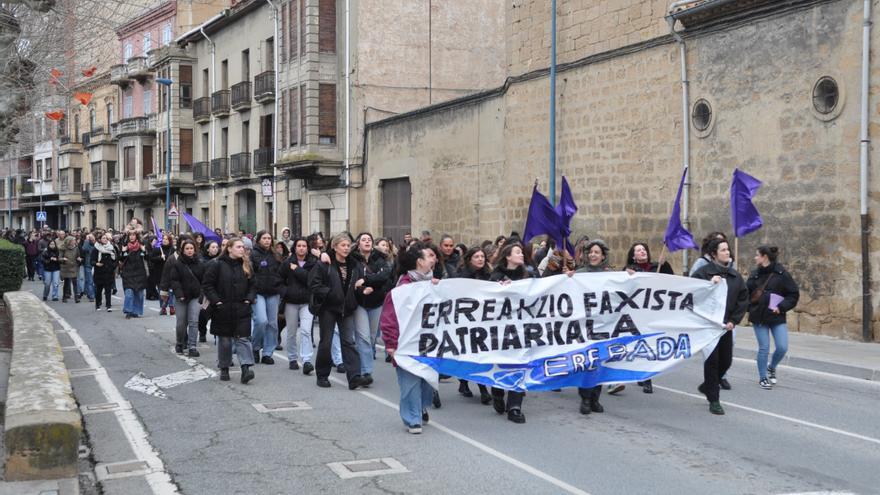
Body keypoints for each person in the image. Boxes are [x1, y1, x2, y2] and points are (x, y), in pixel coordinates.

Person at [380, 242, 441, 434]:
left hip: (429, 342)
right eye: (428, 256)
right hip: (406, 342)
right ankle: (412, 418)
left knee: (427, 382)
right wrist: (390, 343)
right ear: (419, 262)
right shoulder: (402, 288)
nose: (433, 259)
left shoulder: (435, 284)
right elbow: (390, 316)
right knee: (410, 382)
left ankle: (420, 407)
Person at [691, 238, 749, 415]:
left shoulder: (734, 276)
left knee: (726, 360)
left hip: (725, 327)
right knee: (712, 362)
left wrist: (734, 320)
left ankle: (708, 385)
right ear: (714, 254)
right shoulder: (703, 273)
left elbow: (742, 299)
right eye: (723, 250)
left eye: (728, 250)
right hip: (708, 327)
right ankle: (714, 400)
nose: (727, 253)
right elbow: (691, 294)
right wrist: (708, 285)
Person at [308, 233, 368, 390]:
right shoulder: (324, 264)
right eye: (343, 245)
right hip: (328, 308)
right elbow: (314, 285)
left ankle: (354, 377)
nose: (346, 248)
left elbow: (357, 285)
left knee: (349, 342)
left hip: (347, 308)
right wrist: (330, 293)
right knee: (326, 342)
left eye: (348, 245)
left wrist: (362, 289)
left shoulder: (354, 265)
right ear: (334, 247)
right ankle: (322, 375)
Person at [488, 242, 534, 424]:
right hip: (501, 330)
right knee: (502, 363)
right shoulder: (496, 276)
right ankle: (498, 392)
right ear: (508, 256)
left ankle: (515, 407)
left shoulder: (527, 274)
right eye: (517, 252)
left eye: (522, 252)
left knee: (519, 363)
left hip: (522, 329)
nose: (521, 254)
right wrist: (501, 288)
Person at [202, 238, 256, 383]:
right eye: (238, 247)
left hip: (242, 308)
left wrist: (248, 299)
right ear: (229, 249)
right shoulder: (217, 265)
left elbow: (252, 285)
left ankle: (246, 369)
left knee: (243, 338)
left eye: (243, 247)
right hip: (223, 309)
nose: (242, 249)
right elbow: (208, 285)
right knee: (225, 340)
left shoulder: (247, 265)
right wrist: (217, 302)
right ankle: (224, 367)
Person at [747, 245, 799, 389]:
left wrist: (781, 307)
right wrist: (750, 308)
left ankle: (772, 367)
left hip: (776, 316)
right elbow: (745, 294)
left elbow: (793, 294)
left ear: (765, 257)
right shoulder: (754, 275)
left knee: (782, 347)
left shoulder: (782, 274)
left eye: (757, 255)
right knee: (764, 348)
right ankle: (763, 377)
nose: (755, 257)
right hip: (759, 316)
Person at [623, 241, 673, 394]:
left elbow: (673, 282)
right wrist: (628, 276)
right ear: (633, 256)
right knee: (641, 344)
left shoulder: (656, 267)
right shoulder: (629, 270)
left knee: (650, 343)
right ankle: (645, 378)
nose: (642, 251)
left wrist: (665, 266)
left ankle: (644, 375)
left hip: (652, 312)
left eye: (644, 249)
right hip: (636, 313)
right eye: (638, 250)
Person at [573, 239, 612, 415]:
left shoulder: (611, 275)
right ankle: (585, 398)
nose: (593, 255)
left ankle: (596, 397)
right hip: (584, 325)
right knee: (587, 362)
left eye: (597, 252)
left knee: (600, 362)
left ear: (603, 255)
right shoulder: (580, 274)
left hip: (603, 325)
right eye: (591, 252)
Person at [352, 232, 394, 383]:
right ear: (358, 244)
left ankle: (362, 365)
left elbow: (384, 277)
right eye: (363, 240)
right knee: (362, 337)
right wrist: (362, 288)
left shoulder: (380, 258)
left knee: (370, 337)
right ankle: (366, 371)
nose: (367, 242)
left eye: (369, 239)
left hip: (376, 302)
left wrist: (368, 283)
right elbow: (353, 280)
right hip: (359, 302)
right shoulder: (353, 258)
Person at [455, 246, 493, 404]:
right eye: (476, 256)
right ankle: (467, 384)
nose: (480, 259)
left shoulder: (490, 275)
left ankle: (481, 387)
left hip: (484, 321)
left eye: (482, 256)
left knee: (481, 355)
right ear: (470, 259)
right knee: (469, 354)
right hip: (467, 320)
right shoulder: (462, 276)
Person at [280, 237, 317, 372]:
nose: (301, 248)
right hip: (291, 302)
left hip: (307, 302)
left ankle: (307, 360)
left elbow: (311, 280)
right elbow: (279, 279)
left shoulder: (313, 263)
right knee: (291, 332)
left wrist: (297, 270)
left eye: (304, 246)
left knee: (306, 331)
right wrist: (285, 291)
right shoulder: (287, 263)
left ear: (307, 248)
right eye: (299, 246)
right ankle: (292, 358)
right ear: (295, 248)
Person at [250, 230, 284, 364]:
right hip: (258, 292)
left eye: (269, 238)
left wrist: (280, 286)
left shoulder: (276, 255)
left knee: (272, 324)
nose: (267, 240)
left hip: (273, 292)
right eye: (264, 238)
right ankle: (255, 347)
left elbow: (282, 273)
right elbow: (249, 274)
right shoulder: (253, 254)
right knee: (261, 321)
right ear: (258, 240)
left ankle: (268, 353)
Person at [169, 240, 206, 357]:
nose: (189, 251)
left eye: (191, 248)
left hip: (195, 296)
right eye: (187, 249)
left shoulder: (200, 263)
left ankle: (192, 346)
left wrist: (201, 293)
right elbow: (174, 280)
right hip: (181, 297)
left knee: (194, 321)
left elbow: (204, 281)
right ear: (183, 250)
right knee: (181, 323)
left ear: (195, 250)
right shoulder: (177, 263)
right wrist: (179, 294)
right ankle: (180, 342)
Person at [120, 231, 148, 319]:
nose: (132, 237)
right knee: (129, 293)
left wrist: (144, 251)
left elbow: (148, 258)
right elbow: (120, 260)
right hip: (128, 273)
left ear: (136, 236)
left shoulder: (141, 245)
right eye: (130, 235)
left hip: (140, 273)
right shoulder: (125, 246)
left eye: (133, 235)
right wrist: (123, 252)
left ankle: (136, 311)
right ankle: (128, 311)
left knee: (139, 294)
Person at [197, 241, 222, 342]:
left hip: (218, 290)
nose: (215, 249)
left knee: (218, 313)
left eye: (216, 247)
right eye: (213, 247)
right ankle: (202, 332)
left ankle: (217, 335)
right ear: (207, 249)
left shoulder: (221, 260)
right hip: (206, 291)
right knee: (203, 313)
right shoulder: (202, 261)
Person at [91, 233, 118, 311]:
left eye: (106, 238)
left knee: (108, 290)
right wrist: (96, 263)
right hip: (99, 272)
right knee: (98, 290)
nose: (105, 239)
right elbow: (91, 261)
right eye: (103, 238)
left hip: (108, 272)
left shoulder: (111, 248)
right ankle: (97, 304)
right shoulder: (96, 248)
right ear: (100, 239)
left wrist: (113, 267)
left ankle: (108, 306)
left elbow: (116, 259)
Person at [152, 234, 176, 315]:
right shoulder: (157, 249)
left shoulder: (173, 249)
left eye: (166, 239)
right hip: (159, 273)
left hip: (170, 273)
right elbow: (151, 259)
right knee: (162, 292)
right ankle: (163, 307)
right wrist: (159, 257)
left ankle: (170, 306)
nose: (165, 240)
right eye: (163, 239)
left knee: (170, 291)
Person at [59, 233, 81, 303]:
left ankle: (76, 297)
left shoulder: (76, 248)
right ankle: (64, 297)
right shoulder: (63, 248)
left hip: (74, 266)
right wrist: (63, 259)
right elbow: (59, 258)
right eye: (73, 240)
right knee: (66, 283)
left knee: (75, 283)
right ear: (69, 241)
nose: (74, 241)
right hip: (66, 268)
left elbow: (78, 256)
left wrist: (79, 259)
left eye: (74, 240)